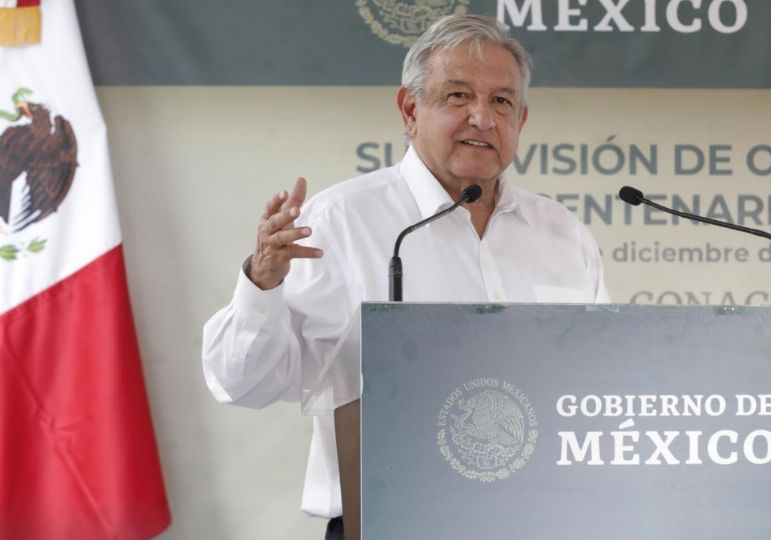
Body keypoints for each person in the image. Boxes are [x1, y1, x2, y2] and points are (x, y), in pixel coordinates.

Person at [202, 14, 608, 539]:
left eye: (502, 101)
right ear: (410, 109)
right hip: (386, 523)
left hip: (541, 521)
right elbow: (242, 384)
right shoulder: (340, 224)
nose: (483, 118)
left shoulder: (564, 235)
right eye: (458, 96)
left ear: (521, 121)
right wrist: (263, 282)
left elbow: (600, 389)